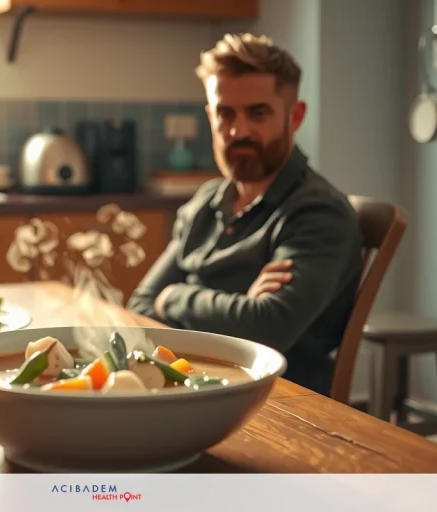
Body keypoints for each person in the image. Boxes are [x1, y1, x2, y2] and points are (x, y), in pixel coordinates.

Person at [126, 33, 364, 396]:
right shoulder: (206, 202)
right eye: (225, 114)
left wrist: (174, 297)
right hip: (189, 386)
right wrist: (238, 307)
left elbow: (265, 327)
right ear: (211, 116)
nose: (238, 131)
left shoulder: (318, 212)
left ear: (295, 116)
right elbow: (140, 305)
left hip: (278, 401)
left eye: (258, 113)